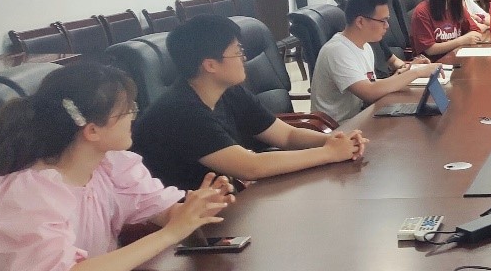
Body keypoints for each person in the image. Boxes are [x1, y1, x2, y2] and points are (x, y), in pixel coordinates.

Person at [0, 62, 233, 271]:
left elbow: (160, 210)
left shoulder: (110, 165)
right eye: (127, 110)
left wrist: (196, 209)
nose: (133, 116)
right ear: (92, 130)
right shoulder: (26, 194)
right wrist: (170, 233)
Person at [131, 15, 367, 191]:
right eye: (237, 52)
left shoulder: (228, 91)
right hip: (181, 226)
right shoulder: (181, 112)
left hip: (222, 202)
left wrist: (333, 141)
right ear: (210, 65)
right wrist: (328, 153)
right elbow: (251, 166)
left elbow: (286, 136)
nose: (244, 59)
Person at [312, 0, 441, 122]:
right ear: (360, 21)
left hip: (361, 118)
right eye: (382, 21)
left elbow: (371, 84)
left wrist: (404, 73)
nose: (387, 26)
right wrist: (416, 73)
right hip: (338, 128)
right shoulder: (337, 50)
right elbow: (369, 92)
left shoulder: (365, 46)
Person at [345, 0, 431, 78]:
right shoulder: (344, 49)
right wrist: (411, 73)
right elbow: (370, 87)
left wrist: (411, 67)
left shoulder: (371, 37)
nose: (387, 26)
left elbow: (393, 61)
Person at [410, 0, 484, 57]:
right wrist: (461, 40)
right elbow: (429, 49)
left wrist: (469, 37)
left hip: (457, 58)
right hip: (433, 62)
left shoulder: (456, 7)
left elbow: (476, 31)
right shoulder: (422, 11)